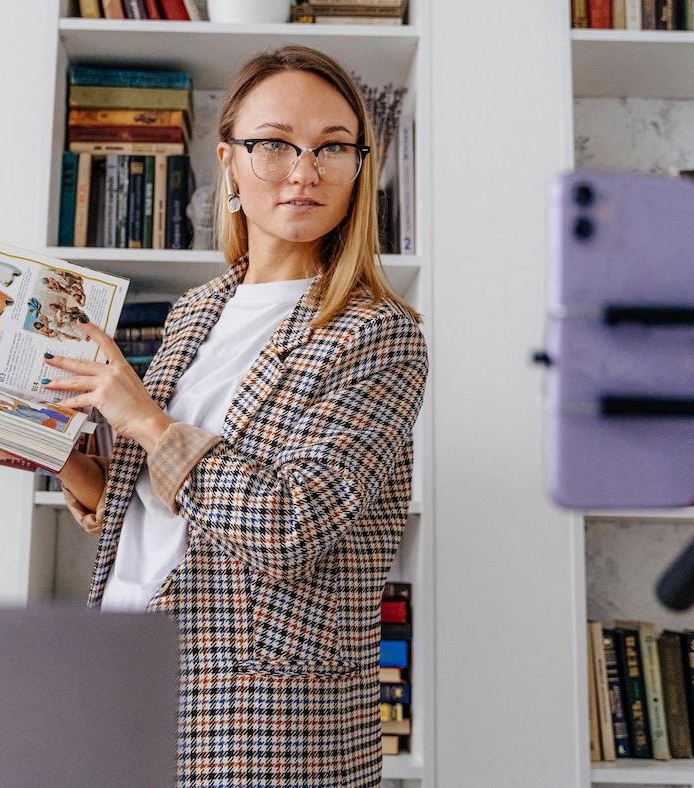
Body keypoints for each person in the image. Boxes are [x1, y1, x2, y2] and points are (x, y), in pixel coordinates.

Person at [45, 45, 428, 787]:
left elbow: (291, 522)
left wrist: (147, 422)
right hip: (122, 662)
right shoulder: (194, 313)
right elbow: (155, 509)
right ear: (228, 161)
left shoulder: (375, 332)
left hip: (265, 716)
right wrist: (59, 451)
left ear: (358, 167)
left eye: (331, 148)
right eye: (275, 143)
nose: (303, 169)